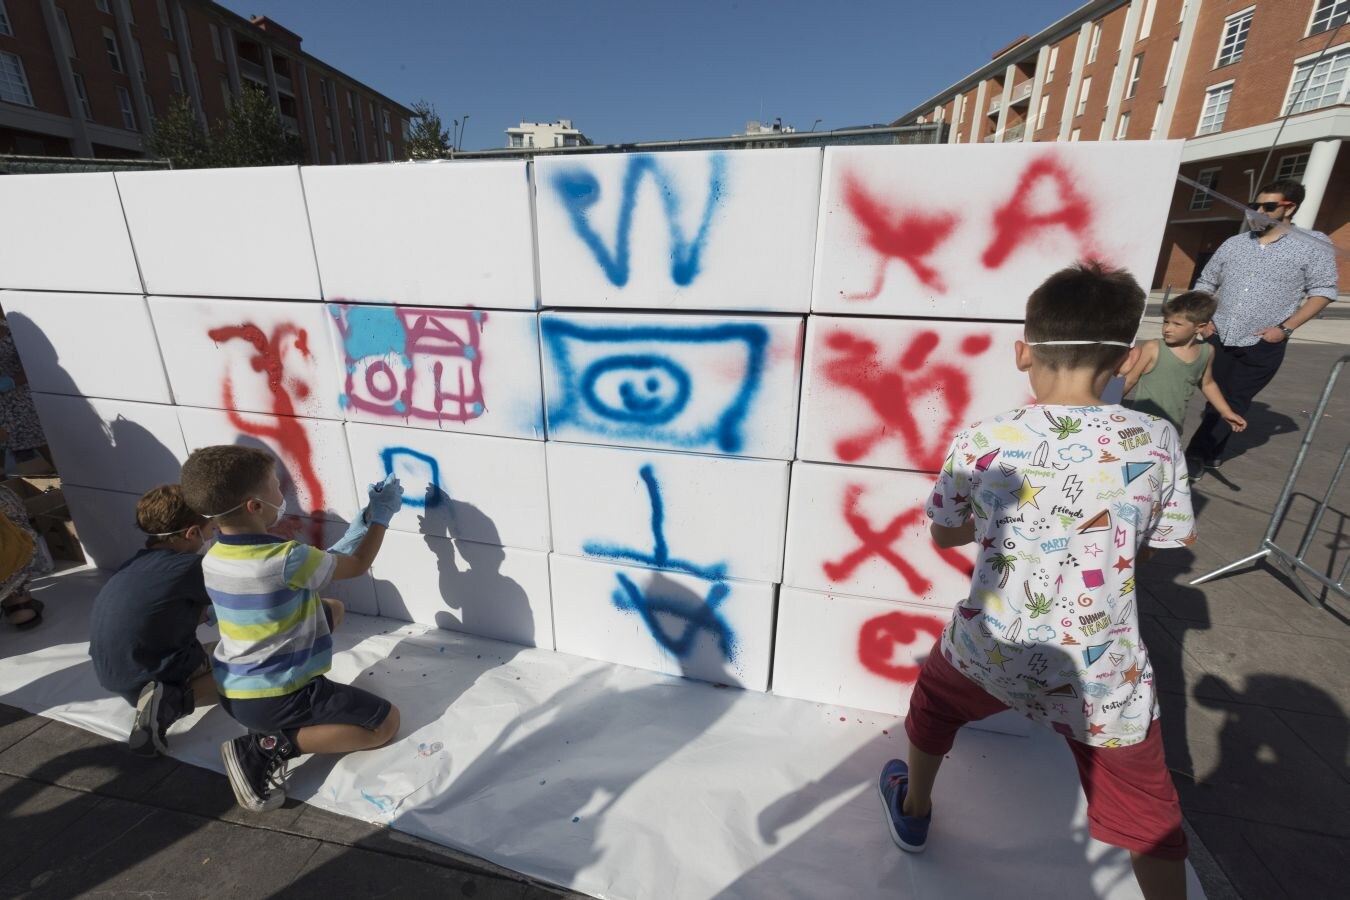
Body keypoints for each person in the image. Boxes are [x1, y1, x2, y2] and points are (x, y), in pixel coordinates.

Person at [879, 263, 1195, 900]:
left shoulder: (985, 437)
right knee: (1149, 814)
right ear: (1129, 360)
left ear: (1023, 352)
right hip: (1103, 670)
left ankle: (914, 807)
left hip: (991, 645)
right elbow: (1160, 544)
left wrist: (993, 527)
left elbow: (943, 533)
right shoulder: (1156, 438)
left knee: (934, 705)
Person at [180, 445, 403, 812]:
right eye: (275, 488)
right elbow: (358, 564)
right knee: (383, 724)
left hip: (234, 687)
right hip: (278, 697)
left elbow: (320, 564)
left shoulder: (214, 556)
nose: (281, 494)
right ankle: (266, 747)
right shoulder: (286, 559)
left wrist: (358, 525)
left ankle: (264, 733)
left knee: (333, 609)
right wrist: (380, 518)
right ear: (254, 506)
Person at [1185, 179, 1339, 473]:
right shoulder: (1235, 243)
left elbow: (1323, 291)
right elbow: (1206, 283)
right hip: (1219, 335)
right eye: (1254, 205)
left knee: (1235, 399)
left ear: (1289, 207)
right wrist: (1201, 321)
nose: (1257, 211)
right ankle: (1207, 450)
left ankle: (1196, 457)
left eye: (1268, 207)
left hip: (1261, 343)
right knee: (1213, 398)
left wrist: (1285, 329)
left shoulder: (1312, 244)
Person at [88, 485, 221, 756]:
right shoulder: (191, 568)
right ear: (191, 533)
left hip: (112, 674)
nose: (212, 537)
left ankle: (157, 698)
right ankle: (170, 703)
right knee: (255, 665)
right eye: (211, 531)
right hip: (150, 672)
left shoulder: (135, 564)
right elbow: (244, 598)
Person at [1123, 290, 1247, 441]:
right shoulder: (1153, 347)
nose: (1167, 329)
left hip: (1173, 427)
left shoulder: (1207, 351)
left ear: (1199, 327)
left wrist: (1226, 411)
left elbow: (1207, 384)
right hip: (1141, 427)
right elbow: (1130, 379)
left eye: (1177, 324)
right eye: (1166, 322)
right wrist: (1105, 406)